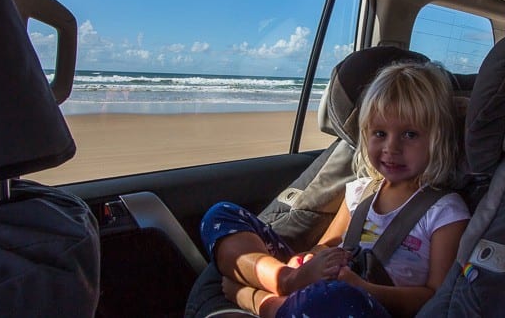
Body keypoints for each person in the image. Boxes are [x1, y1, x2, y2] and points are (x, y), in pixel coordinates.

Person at [199, 62, 470, 317]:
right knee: (221, 215)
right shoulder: (360, 192)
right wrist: (306, 262)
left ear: (437, 140)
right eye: (380, 134)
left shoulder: (445, 211)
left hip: (365, 304)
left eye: (410, 134)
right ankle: (283, 279)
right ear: (365, 134)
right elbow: (325, 245)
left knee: (338, 298)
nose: (391, 148)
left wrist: (364, 289)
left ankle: (261, 303)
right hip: (318, 286)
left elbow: (435, 297)